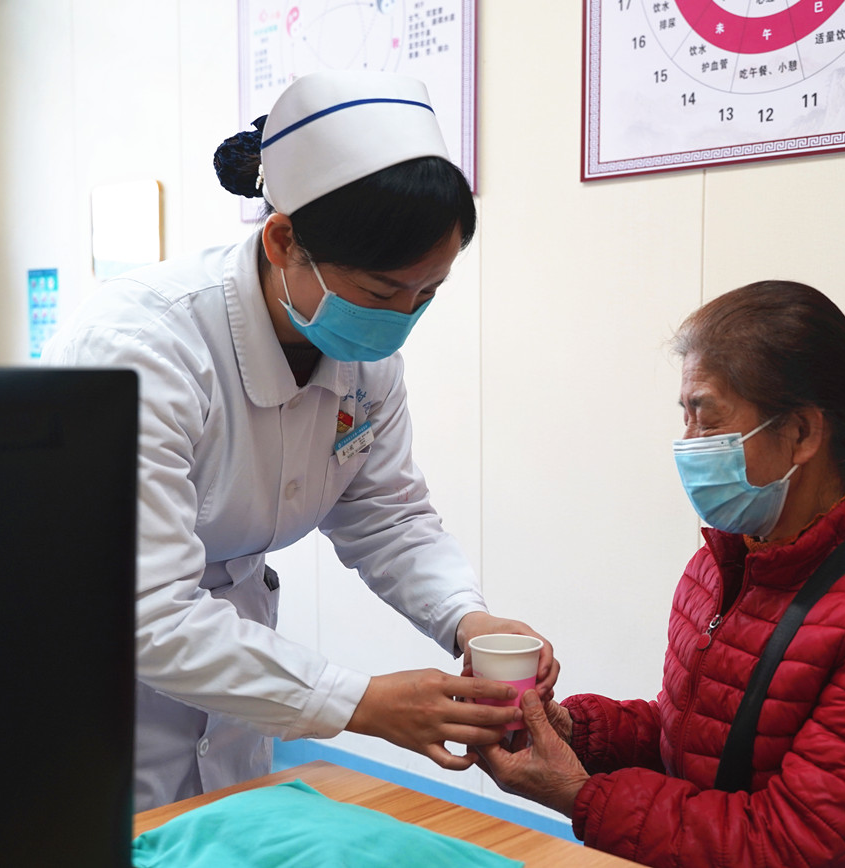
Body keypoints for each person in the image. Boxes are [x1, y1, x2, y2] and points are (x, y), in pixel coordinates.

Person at [44, 70, 557, 811]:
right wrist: (361, 703)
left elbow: (388, 516)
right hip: (103, 680)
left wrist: (466, 618)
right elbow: (146, 610)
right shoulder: (142, 346)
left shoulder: (363, 360)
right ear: (283, 240)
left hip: (233, 682)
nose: (401, 318)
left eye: (427, 293)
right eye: (382, 292)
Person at [475, 281, 845, 867]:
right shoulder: (724, 563)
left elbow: (789, 847)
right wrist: (570, 731)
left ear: (801, 433)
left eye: (707, 419)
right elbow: (695, 745)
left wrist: (579, 794)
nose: (687, 445)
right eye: (685, 418)